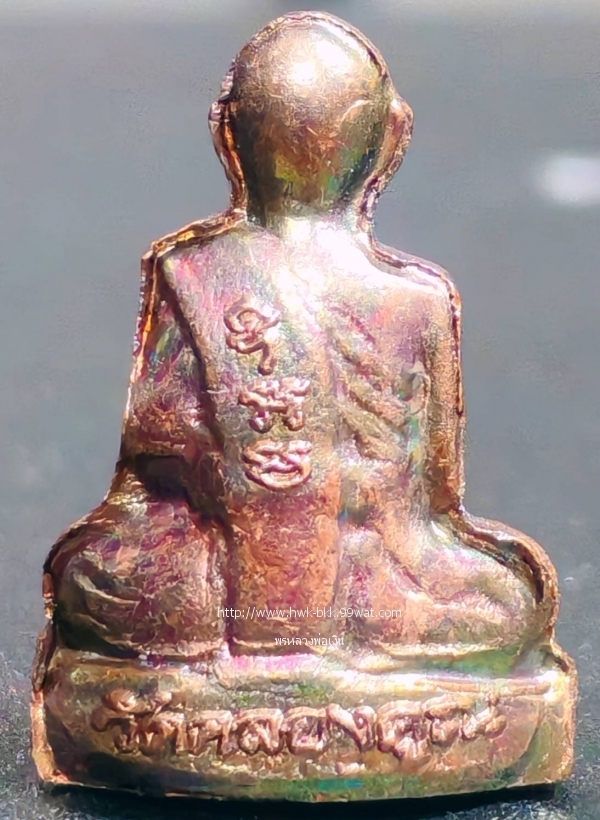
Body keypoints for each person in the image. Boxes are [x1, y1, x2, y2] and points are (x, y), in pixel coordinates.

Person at [44, 11, 557, 672]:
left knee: (95, 583)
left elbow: (155, 440)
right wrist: (232, 466)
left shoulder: (411, 300)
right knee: (506, 605)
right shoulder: (199, 275)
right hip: (304, 569)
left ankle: (257, 659)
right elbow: (431, 496)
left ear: (227, 133)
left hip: (358, 570)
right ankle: (356, 662)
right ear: (390, 138)